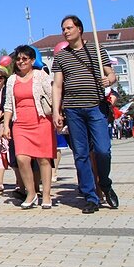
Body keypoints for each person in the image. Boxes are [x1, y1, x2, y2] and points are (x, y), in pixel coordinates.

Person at [51, 15, 118, 214]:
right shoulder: (61, 56)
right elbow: (57, 86)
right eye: (63, 28)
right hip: (73, 110)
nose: (66, 31)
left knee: (102, 150)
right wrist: (56, 111)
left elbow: (112, 74)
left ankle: (104, 182)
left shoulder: (96, 50)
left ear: (80, 29)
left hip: (96, 107)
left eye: (69, 27)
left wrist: (110, 80)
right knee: (80, 154)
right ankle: (91, 196)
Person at [1, 45, 56, 209]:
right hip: (20, 124)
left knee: (44, 160)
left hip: (41, 121)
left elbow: (53, 94)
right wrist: (6, 125)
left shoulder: (41, 75)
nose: (21, 62)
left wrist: (58, 114)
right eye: (18, 59)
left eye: (25, 59)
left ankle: (46, 195)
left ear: (32, 60)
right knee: (21, 158)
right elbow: (9, 105)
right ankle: (30, 193)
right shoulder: (12, 79)